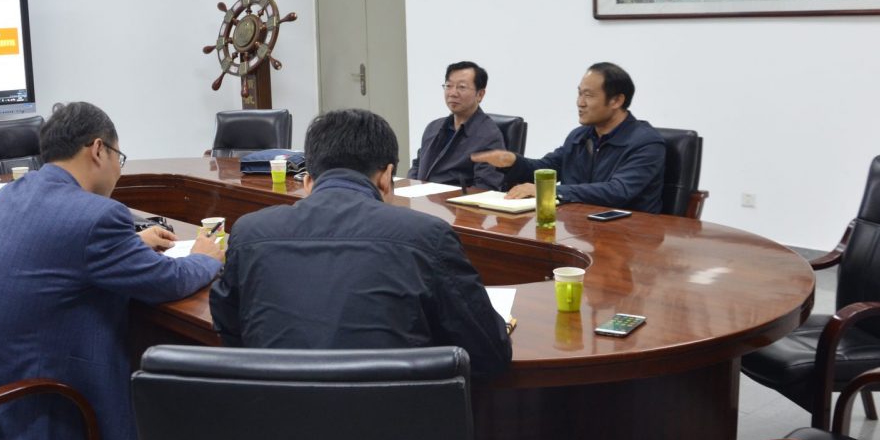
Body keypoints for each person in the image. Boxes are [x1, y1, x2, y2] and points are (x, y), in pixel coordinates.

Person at [0, 101, 224, 440]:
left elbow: (58, 246)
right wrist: (206, 256)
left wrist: (131, 245)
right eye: (118, 157)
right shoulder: (96, 217)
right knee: (161, 408)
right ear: (98, 149)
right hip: (35, 402)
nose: (118, 171)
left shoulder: (13, 194)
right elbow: (166, 282)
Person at [210, 108, 512, 379]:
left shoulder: (249, 233)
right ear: (387, 177)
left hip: (273, 416)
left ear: (308, 182)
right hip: (393, 420)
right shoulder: (427, 236)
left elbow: (230, 329)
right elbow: (489, 354)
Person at [471, 62, 666, 213]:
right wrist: (513, 162)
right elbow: (546, 168)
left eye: (588, 95)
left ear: (616, 100)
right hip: (579, 226)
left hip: (629, 234)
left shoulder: (646, 143)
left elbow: (618, 191)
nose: (580, 103)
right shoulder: (580, 136)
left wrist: (549, 191)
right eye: (579, 94)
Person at [408, 60, 506, 190]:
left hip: (454, 202)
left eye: (462, 87)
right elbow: (417, 165)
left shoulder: (488, 136)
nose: (453, 93)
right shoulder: (433, 127)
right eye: (449, 86)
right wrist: (410, 190)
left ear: (480, 94)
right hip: (420, 199)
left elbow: (485, 188)